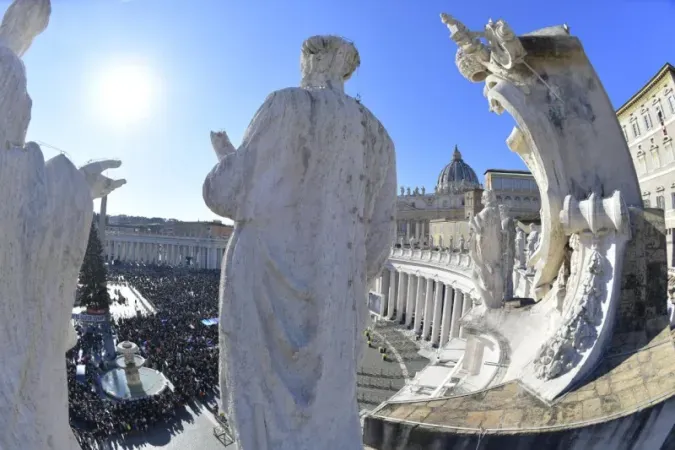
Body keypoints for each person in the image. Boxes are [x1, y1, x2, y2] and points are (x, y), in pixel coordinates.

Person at [203, 35, 397, 450]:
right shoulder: (378, 136)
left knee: (267, 424)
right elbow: (381, 239)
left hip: (265, 295)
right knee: (330, 423)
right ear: (345, 68)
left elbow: (227, 194)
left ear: (311, 60)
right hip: (337, 303)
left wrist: (226, 157)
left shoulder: (285, 104)